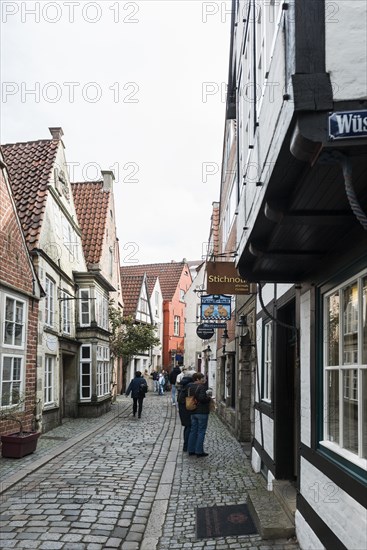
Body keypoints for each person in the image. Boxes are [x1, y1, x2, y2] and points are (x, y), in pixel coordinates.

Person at [187, 372, 212, 457]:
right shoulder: (202, 387)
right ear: (197, 379)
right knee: (201, 431)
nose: (203, 380)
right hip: (201, 411)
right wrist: (208, 398)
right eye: (202, 378)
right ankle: (199, 451)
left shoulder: (190, 387)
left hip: (192, 410)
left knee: (193, 431)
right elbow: (202, 399)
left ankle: (191, 449)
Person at [177, 368, 195, 452]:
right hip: (187, 408)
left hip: (182, 408)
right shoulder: (189, 385)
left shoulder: (183, 383)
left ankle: (186, 445)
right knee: (189, 427)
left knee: (187, 427)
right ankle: (187, 445)